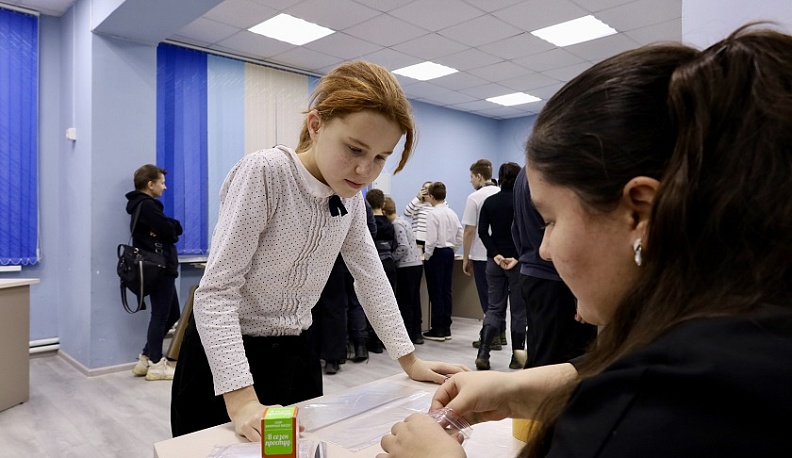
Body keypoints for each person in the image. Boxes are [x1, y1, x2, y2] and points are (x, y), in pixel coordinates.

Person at [379, 25, 792, 457]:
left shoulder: (645, 423)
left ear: (641, 213)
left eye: (551, 220)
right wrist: (521, 388)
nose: (544, 248)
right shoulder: (752, 342)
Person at [170, 61, 468, 440]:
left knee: (297, 448)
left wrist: (409, 359)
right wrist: (243, 400)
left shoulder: (351, 199)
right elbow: (216, 293)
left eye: (380, 157)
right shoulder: (266, 172)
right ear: (316, 125)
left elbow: (371, 277)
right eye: (355, 148)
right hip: (228, 359)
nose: (364, 170)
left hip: (296, 353)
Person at [513, 165, 596, 369]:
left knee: (540, 352)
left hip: (532, 274)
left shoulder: (524, 175)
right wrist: (581, 293)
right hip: (555, 279)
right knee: (561, 361)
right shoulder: (554, 174)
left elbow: (515, 228)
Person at [125, 164, 183, 381]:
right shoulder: (148, 206)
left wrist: (168, 228)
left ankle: (145, 358)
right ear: (151, 185)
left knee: (172, 314)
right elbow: (171, 230)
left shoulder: (141, 206)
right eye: (162, 182)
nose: (165, 187)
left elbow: (167, 230)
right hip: (159, 268)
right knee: (160, 315)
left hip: (159, 268)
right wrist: (171, 227)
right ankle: (157, 365)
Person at [474, 162, 527, 371]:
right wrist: (515, 256)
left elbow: (482, 232)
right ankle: (516, 357)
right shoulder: (523, 203)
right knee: (518, 311)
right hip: (518, 263)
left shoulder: (490, 202)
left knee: (494, 308)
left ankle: (483, 354)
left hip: (493, 263)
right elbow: (526, 231)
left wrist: (495, 255)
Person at [461, 159, 503, 350]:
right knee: (501, 298)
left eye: (471, 177)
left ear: (479, 176)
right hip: (502, 254)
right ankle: (501, 335)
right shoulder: (502, 193)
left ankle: (490, 337)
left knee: (488, 300)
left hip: (481, 255)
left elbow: (470, 230)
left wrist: (465, 256)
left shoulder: (475, 198)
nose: (471, 181)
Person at [421, 182, 463, 342]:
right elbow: (460, 234)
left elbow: (430, 239)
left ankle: (437, 329)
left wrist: (427, 255)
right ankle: (446, 327)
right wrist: (452, 249)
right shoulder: (451, 213)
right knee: (446, 291)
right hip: (448, 253)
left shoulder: (433, 214)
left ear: (431, 196)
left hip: (437, 254)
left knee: (436, 292)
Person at [383, 196, 424, 345]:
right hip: (416, 264)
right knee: (414, 301)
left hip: (406, 266)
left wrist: (391, 258)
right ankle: (417, 333)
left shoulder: (396, 225)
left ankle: (407, 335)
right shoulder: (404, 221)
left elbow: (403, 246)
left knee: (405, 302)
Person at [365, 187, 397, 353]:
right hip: (389, 263)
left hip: (374, 266)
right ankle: (385, 341)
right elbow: (395, 245)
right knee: (388, 304)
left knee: (372, 303)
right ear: (383, 203)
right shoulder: (389, 223)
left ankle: (373, 341)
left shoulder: (367, 223)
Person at [403, 181, 433, 248]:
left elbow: (444, 209)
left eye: (429, 188)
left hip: (431, 240)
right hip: (417, 239)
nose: (426, 191)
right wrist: (417, 198)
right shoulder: (417, 204)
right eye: (425, 188)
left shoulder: (436, 205)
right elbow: (406, 212)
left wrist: (437, 196)